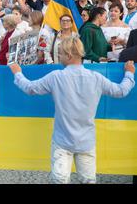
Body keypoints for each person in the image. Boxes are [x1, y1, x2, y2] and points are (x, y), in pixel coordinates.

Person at [9, 37, 135, 184]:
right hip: (86, 141)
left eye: (60, 53)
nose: (60, 57)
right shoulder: (96, 78)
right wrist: (129, 73)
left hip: (62, 141)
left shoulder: (57, 77)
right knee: (88, 181)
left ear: (68, 55)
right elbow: (121, 91)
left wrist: (18, 73)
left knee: (59, 181)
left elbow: (30, 88)